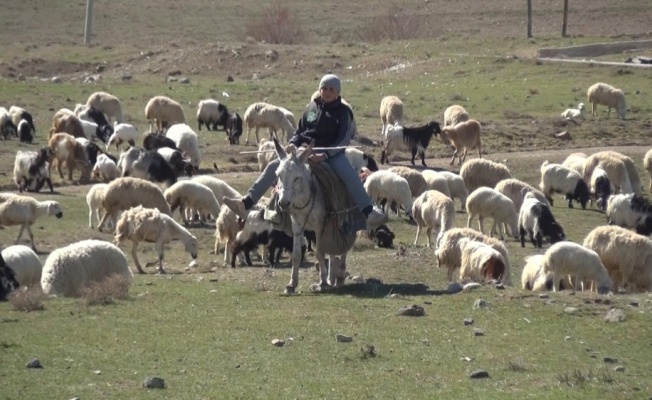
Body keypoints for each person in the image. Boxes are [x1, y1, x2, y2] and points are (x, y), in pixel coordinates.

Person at [223, 73, 387, 231]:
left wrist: (325, 155)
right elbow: (300, 131)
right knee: (275, 166)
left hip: (331, 153)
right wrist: (293, 143)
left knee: (349, 174)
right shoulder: (311, 107)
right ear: (320, 89)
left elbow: (344, 139)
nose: (327, 92)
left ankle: (367, 211)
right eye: (324, 88)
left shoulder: (344, 112)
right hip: (304, 152)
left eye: (331, 89)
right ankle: (247, 202)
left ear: (337, 92)